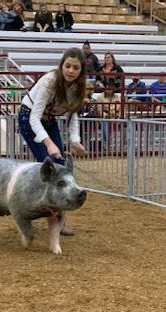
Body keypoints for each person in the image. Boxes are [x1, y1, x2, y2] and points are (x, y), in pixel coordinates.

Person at [18, 47, 86, 236]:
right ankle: (31, 211)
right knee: (50, 169)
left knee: (60, 167)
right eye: (68, 66)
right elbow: (34, 117)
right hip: (28, 118)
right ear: (62, 65)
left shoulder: (79, 88)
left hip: (49, 121)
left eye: (76, 68)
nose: (71, 71)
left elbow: (73, 116)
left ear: (81, 70)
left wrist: (75, 140)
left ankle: (58, 220)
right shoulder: (50, 81)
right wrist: (49, 144)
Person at [96, 79, 121, 145]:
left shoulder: (118, 97)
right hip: (106, 116)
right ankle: (107, 143)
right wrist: (105, 115)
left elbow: (122, 108)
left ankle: (124, 144)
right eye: (108, 86)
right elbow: (99, 110)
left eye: (111, 86)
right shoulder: (100, 97)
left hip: (116, 116)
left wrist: (120, 115)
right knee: (105, 122)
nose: (109, 88)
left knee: (126, 123)